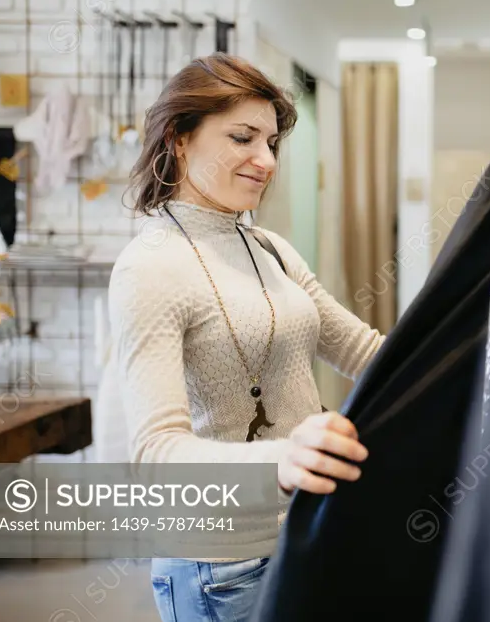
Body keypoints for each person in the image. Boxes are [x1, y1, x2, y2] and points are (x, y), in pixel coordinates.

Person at [107, 53, 386, 622]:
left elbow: (365, 352)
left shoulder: (270, 248)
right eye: (243, 138)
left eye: (272, 143)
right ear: (179, 138)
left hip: (301, 531)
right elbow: (156, 455)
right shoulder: (150, 267)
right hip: (223, 562)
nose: (265, 161)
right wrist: (285, 460)